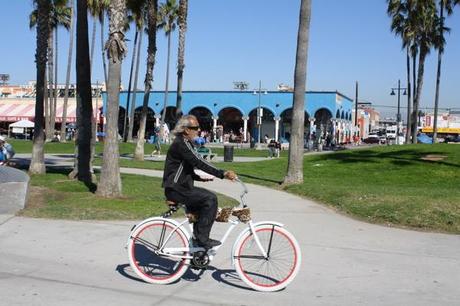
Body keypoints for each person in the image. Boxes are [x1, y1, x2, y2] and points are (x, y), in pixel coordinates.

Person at [162, 115, 237, 249]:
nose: (198, 130)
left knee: (202, 205)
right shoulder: (182, 143)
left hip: (178, 187)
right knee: (210, 199)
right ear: (186, 130)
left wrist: (199, 178)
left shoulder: (184, 143)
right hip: (177, 189)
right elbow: (199, 161)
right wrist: (222, 173)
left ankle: (197, 246)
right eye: (195, 128)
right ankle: (202, 239)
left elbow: (184, 168)